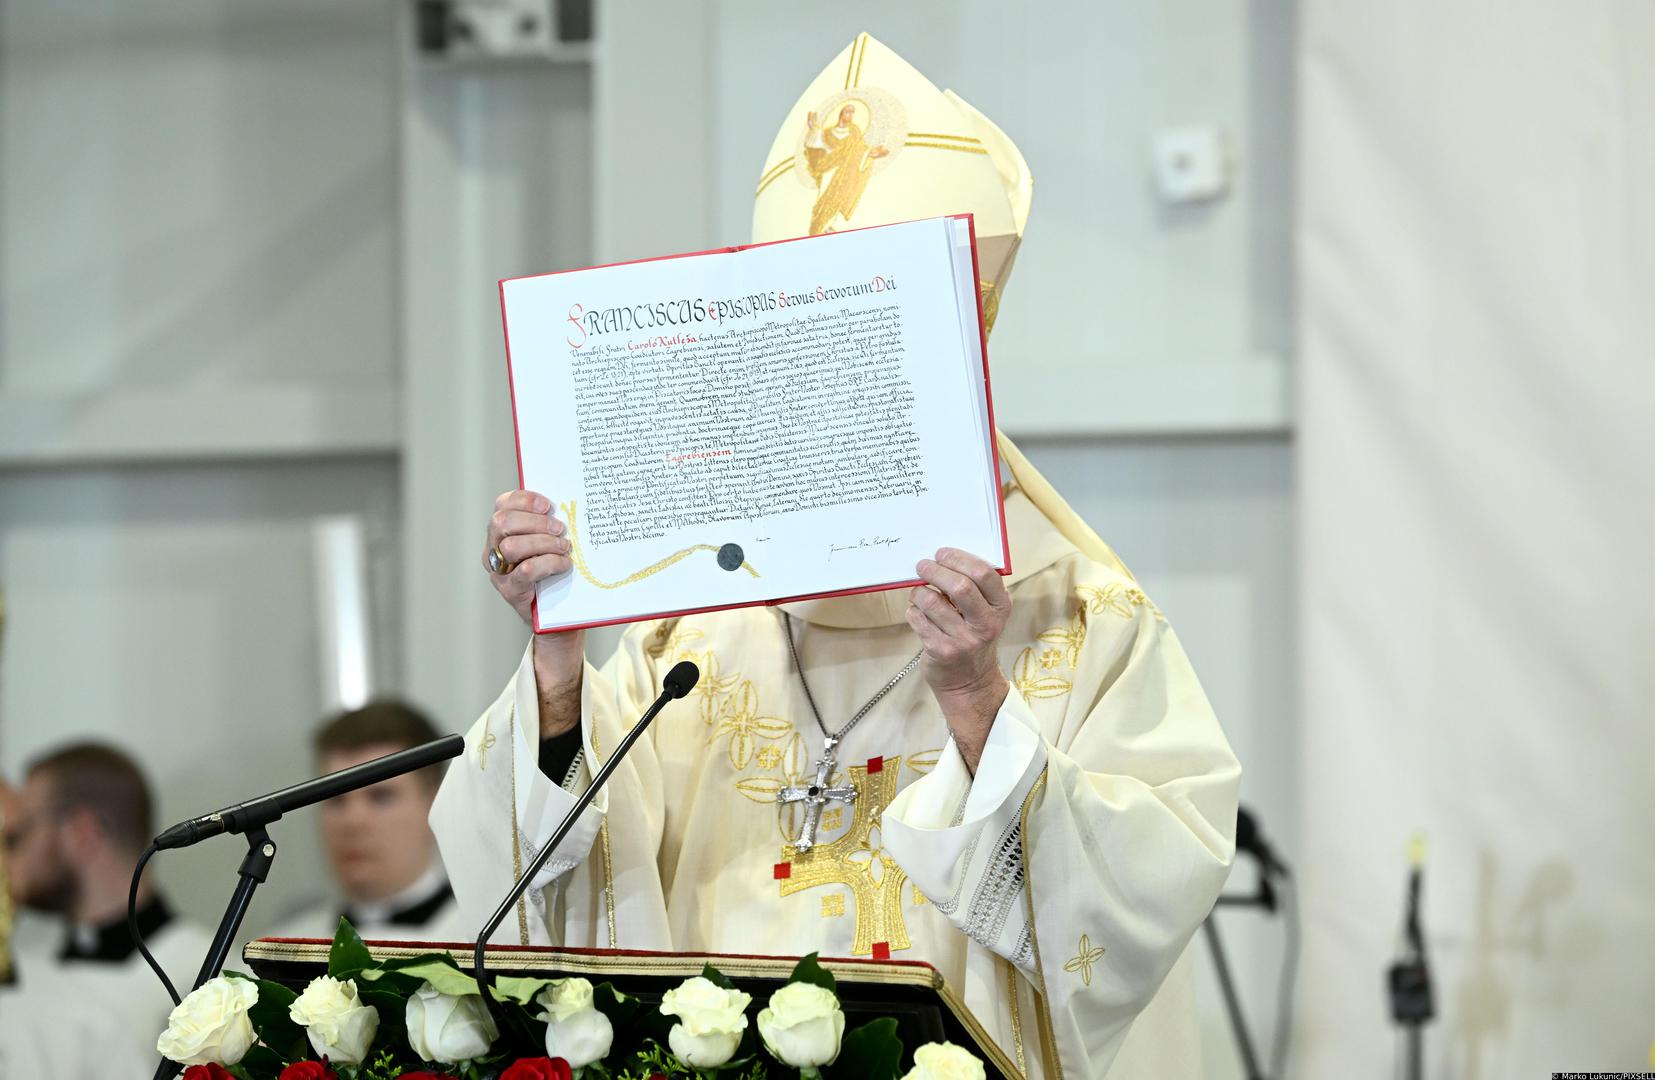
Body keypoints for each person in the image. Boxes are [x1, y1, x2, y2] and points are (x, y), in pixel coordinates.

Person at [432, 34, 1240, 1078]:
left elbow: (1146, 895)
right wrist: (555, 664)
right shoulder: (692, 624)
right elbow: (557, 892)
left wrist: (976, 700)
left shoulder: (1078, 615)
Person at [0, 743, 210, 1073]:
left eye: (19, 835)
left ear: (81, 834)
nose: (9, 858)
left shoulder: (206, 975)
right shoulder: (26, 964)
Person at [271, 701, 465, 942]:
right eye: (335, 799)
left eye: (380, 796)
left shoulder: (493, 944)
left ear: (436, 805)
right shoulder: (283, 949)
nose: (353, 821)